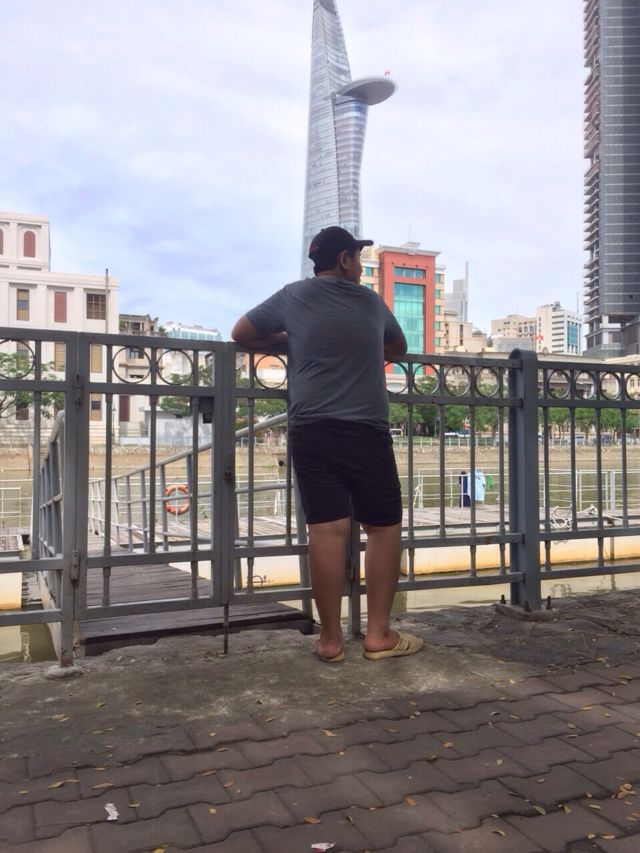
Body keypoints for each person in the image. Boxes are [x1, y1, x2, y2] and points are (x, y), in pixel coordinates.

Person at [231, 226, 423, 663]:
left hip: (312, 428)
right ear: (343, 260)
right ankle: (378, 635)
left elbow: (241, 332)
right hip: (367, 429)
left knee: (326, 530)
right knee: (383, 527)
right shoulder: (370, 302)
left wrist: (287, 339)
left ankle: (330, 640)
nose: (361, 266)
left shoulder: (292, 296)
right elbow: (399, 346)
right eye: (358, 257)